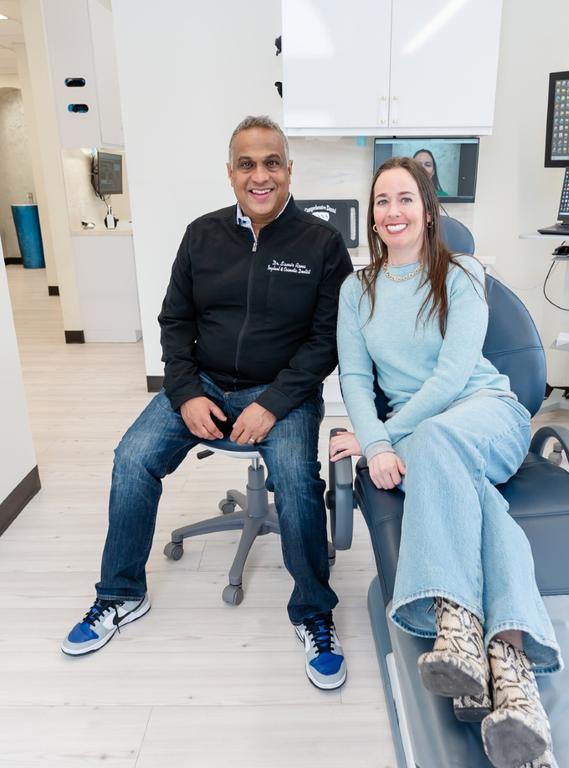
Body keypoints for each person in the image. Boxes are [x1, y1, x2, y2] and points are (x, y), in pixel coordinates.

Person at [62, 115, 353, 691]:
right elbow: (175, 322)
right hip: (206, 385)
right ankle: (121, 595)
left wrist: (272, 404)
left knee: (295, 478)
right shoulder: (201, 235)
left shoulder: (322, 245)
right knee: (132, 457)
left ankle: (313, 613)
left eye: (272, 162)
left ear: (290, 170)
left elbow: (327, 341)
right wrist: (187, 392)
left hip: (284, 395)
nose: (260, 175)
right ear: (230, 173)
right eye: (247, 164)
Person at [330, 156, 562, 766]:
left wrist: (387, 438)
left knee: (438, 442)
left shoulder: (461, 272)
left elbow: (455, 374)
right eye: (382, 201)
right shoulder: (357, 289)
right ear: (372, 216)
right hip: (423, 438)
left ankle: (454, 619)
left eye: (405, 198)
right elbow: (354, 377)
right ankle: (514, 681)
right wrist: (375, 442)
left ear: (429, 210)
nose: (392, 211)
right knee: (483, 508)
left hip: (485, 413)